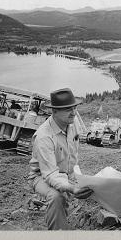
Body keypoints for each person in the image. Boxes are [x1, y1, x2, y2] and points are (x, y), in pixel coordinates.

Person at [27, 88, 92, 230]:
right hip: (41, 176)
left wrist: (76, 179)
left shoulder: (72, 123)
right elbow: (50, 174)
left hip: (67, 173)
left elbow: (73, 156)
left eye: (74, 108)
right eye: (68, 109)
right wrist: (71, 188)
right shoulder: (44, 137)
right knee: (57, 197)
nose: (74, 113)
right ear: (54, 111)